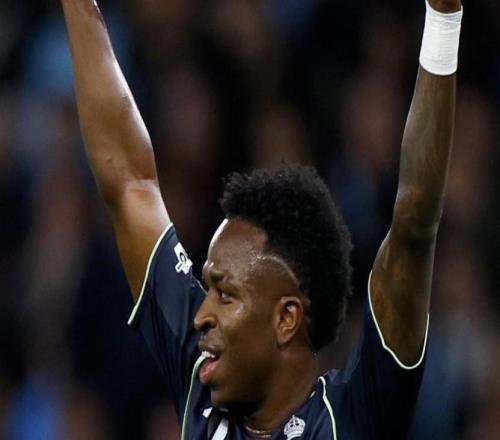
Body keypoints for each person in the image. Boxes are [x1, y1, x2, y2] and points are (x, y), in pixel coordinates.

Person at [61, 0, 463, 438]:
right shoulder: (200, 379)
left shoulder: (351, 418)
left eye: (225, 294)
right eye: (209, 289)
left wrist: (443, 19)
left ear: (286, 318)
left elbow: (414, 221)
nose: (201, 315)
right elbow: (130, 182)